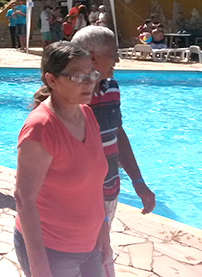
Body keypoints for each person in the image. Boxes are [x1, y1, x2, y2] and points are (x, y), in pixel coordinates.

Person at [14, 41, 109, 277]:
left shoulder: (87, 115)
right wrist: (39, 267)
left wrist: (104, 230)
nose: (89, 82)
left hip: (90, 245)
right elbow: (24, 200)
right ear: (52, 80)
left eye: (92, 74)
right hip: (52, 250)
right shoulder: (41, 128)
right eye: (78, 76)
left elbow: (94, 184)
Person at [72, 26, 156, 276]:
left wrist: (138, 181)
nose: (117, 59)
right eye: (113, 53)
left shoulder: (112, 88)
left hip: (109, 191)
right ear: (93, 57)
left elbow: (117, 133)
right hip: (78, 199)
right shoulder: (71, 96)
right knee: (85, 259)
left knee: (99, 256)